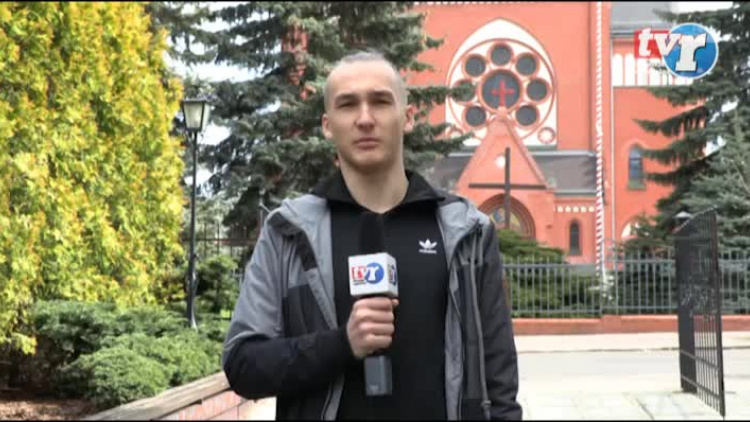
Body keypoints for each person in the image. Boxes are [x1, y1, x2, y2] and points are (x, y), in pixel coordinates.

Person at [222, 50, 522, 420]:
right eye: (348, 105)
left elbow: (499, 382)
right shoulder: (288, 232)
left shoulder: (467, 232)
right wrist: (341, 343)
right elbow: (243, 364)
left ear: (407, 117)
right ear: (328, 125)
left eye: (380, 101)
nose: (365, 119)